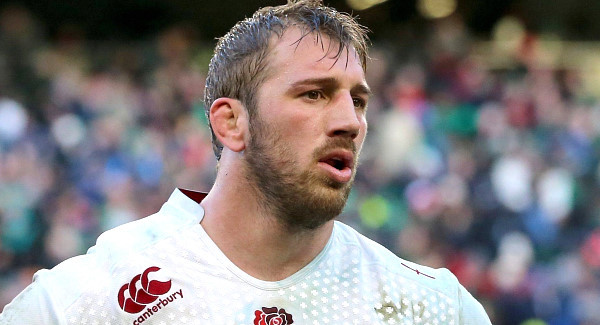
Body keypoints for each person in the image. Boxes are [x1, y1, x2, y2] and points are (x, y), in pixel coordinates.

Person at [0, 0, 491, 324]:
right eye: (314, 94)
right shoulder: (81, 304)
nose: (350, 122)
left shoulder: (433, 307)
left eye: (358, 101)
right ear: (231, 123)